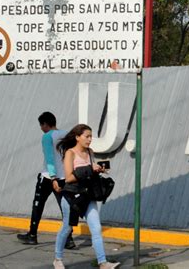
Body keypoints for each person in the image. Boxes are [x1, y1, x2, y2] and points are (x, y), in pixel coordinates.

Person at [54, 124, 119, 269]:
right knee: (67, 228)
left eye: (91, 136)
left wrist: (98, 170)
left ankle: (103, 263)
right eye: (87, 136)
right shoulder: (70, 153)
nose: (90, 139)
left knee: (96, 228)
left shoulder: (90, 152)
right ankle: (57, 259)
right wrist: (89, 168)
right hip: (72, 196)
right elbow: (69, 177)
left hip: (88, 195)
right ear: (77, 137)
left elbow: (89, 172)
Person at [17, 112, 75, 249]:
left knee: (38, 205)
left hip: (49, 178)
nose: (41, 128)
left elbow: (49, 158)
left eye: (41, 125)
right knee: (65, 208)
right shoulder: (67, 134)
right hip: (64, 178)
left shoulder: (47, 137)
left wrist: (53, 177)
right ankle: (69, 239)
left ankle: (32, 235)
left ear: (45, 124)